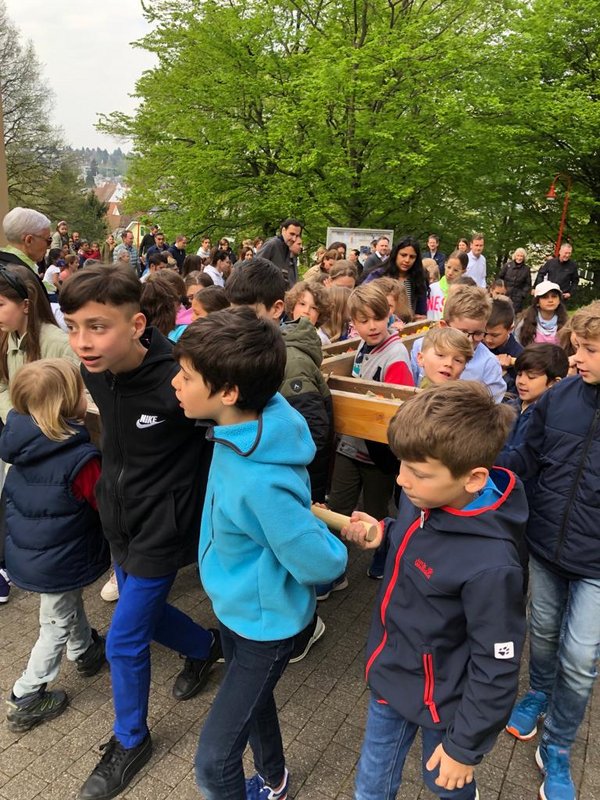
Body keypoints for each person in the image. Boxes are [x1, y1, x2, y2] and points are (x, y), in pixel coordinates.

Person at [171, 308, 347, 800]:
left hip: (263, 628)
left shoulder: (258, 478)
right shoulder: (247, 423)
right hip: (237, 608)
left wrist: (332, 541)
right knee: (255, 706)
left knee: (213, 763)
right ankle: (275, 781)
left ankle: (269, 781)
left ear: (228, 393)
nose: (175, 383)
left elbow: (319, 560)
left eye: (186, 376)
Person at [59, 265, 220, 800]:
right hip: (118, 520)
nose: (83, 342)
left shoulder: (179, 377)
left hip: (163, 528)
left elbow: (236, 426)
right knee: (140, 613)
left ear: (137, 325)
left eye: (97, 327)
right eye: (73, 326)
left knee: (124, 637)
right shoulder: (96, 370)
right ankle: (205, 646)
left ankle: (131, 740)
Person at [342, 381, 527, 800]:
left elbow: (497, 665)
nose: (401, 479)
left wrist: (465, 747)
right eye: (402, 464)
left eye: (418, 472)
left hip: (445, 701)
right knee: (371, 787)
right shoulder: (424, 497)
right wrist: (384, 532)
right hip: (391, 674)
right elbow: (419, 540)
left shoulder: (493, 566)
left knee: (445, 782)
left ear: (474, 479)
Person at [499, 302, 600, 800]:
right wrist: (480, 466)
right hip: (545, 543)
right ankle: (538, 690)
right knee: (540, 630)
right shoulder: (558, 398)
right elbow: (523, 456)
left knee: (580, 657)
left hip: (595, 562)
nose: (576, 358)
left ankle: (558, 743)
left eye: (589, 350)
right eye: (577, 347)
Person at [2, 359, 110, 731]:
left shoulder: (24, 447)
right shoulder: (79, 459)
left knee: (65, 602)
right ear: (66, 404)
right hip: (59, 557)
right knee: (54, 623)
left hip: (34, 554)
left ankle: (85, 650)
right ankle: (26, 694)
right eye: (81, 391)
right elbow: (103, 504)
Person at [323, 284, 414, 589]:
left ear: (389, 315)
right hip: (350, 445)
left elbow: (396, 409)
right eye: (363, 321)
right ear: (353, 323)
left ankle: (383, 555)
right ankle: (332, 568)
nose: (372, 326)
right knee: (338, 506)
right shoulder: (363, 345)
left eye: (378, 318)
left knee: (375, 512)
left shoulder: (395, 356)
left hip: (378, 454)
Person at [410, 285, 506, 402]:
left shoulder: (489, 365)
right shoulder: (422, 346)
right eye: (462, 332)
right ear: (443, 326)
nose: (469, 340)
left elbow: (492, 405)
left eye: (478, 333)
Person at [501, 344, 568, 455]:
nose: (521, 381)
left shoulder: (552, 419)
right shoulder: (508, 407)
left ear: (554, 382)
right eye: (519, 374)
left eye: (531, 377)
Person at [362, 236, 428, 318]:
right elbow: (361, 298)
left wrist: (419, 318)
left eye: (412, 257)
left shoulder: (418, 279)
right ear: (395, 254)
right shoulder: (378, 275)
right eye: (403, 255)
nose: (407, 260)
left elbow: (421, 312)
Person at [483, 298, 523, 395]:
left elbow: (517, 393)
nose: (488, 339)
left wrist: (503, 373)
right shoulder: (477, 345)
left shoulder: (519, 355)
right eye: (484, 333)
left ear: (510, 329)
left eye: (495, 335)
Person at [514, 280, 568, 348]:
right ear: (537, 302)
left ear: (559, 300)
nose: (550, 300)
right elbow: (517, 345)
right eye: (545, 297)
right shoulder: (524, 321)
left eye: (554, 296)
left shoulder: (567, 324)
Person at [0, 207, 52, 275]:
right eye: (48, 240)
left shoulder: (4, 263)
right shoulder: (22, 274)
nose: (49, 247)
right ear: (29, 240)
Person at [257, 218, 303, 288]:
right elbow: (255, 268)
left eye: (297, 236)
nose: (294, 239)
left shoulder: (288, 247)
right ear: (283, 230)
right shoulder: (272, 244)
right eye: (292, 234)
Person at [284, 280, 332, 345]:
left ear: (320, 315)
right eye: (302, 304)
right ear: (292, 307)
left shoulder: (321, 340)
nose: (306, 311)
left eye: (314, 308)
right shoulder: (280, 335)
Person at [498, 248, 531, 312]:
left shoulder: (526, 269)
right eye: (518, 255)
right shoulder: (507, 266)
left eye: (521, 256)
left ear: (524, 258)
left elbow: (528, 284)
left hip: (518, 298)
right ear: (515, 256)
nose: (519, 258)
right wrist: (501, 290)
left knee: (514, 314)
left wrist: (522, 295)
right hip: (505, 294)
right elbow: (500, 278)